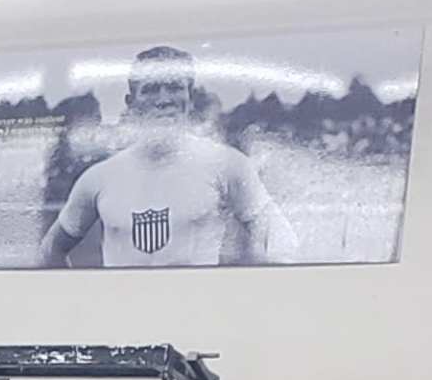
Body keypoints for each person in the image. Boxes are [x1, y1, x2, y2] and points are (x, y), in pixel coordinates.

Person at [41, 47, 292, 268]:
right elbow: (51, 250)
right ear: (131, 102)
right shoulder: (99, 178)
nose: (163, 99)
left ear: (190, 98)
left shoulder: (227, 165)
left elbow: (282, 241)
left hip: (199, 314)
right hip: (123, 316)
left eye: (174, 87)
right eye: (150, 89)